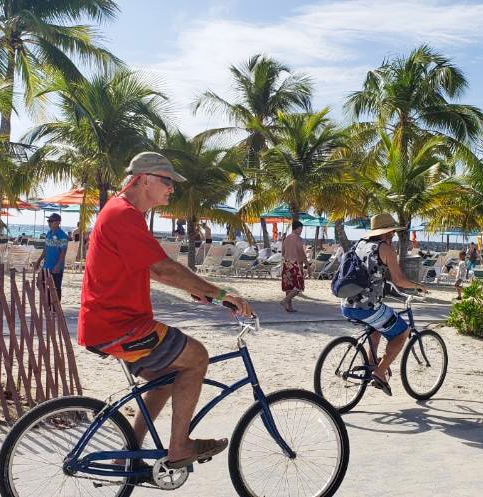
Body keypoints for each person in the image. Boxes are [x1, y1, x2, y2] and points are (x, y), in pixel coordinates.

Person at [78, 151, 253, 470]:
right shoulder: (123, 214)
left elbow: (150, 270)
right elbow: (164, 268)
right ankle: (179, 447)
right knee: (197, 356)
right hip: (120, 326)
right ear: (143, 179)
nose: (171, 188)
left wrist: (201, 292)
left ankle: (125, 456)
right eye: (166, 181)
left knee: (168, 375)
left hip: (112, 324)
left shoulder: (123, 212)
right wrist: (223, 293)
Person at [341, 213, 429, 396]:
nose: (393, 235)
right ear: (386, 233)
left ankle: (371, 364)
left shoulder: (359, 244)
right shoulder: (386, 249)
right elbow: (399, 280)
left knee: (376, 332)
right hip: (368, 308)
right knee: (403, 332)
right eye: (391, 232)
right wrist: (418, 286)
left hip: (347, 305)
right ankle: (379, 373)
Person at [33, 213, 69, 298]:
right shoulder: (48, 233)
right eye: (48, 221)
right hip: (46, 265)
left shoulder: (62, 235)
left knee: (56, 288)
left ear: (57, 222)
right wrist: (38, 261)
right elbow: (45, 249)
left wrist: (58, 265)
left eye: (51, 221)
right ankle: (49, 302)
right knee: (39, 283)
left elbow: (63, 252)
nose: (49, 223)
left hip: (56, 266)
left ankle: (56, 309)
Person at [280, 220, 308, 312]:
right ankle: (285, 301)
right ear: (297, 228)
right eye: (301, 229)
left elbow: (283, 252)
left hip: (286, 263)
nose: (301, 231)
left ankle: (289, 307)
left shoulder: (287, 238)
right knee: (299, 286)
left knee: (289, 286)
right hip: (295, 264)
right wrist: (308, 265)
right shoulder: (298, 238)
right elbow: (302, 253)